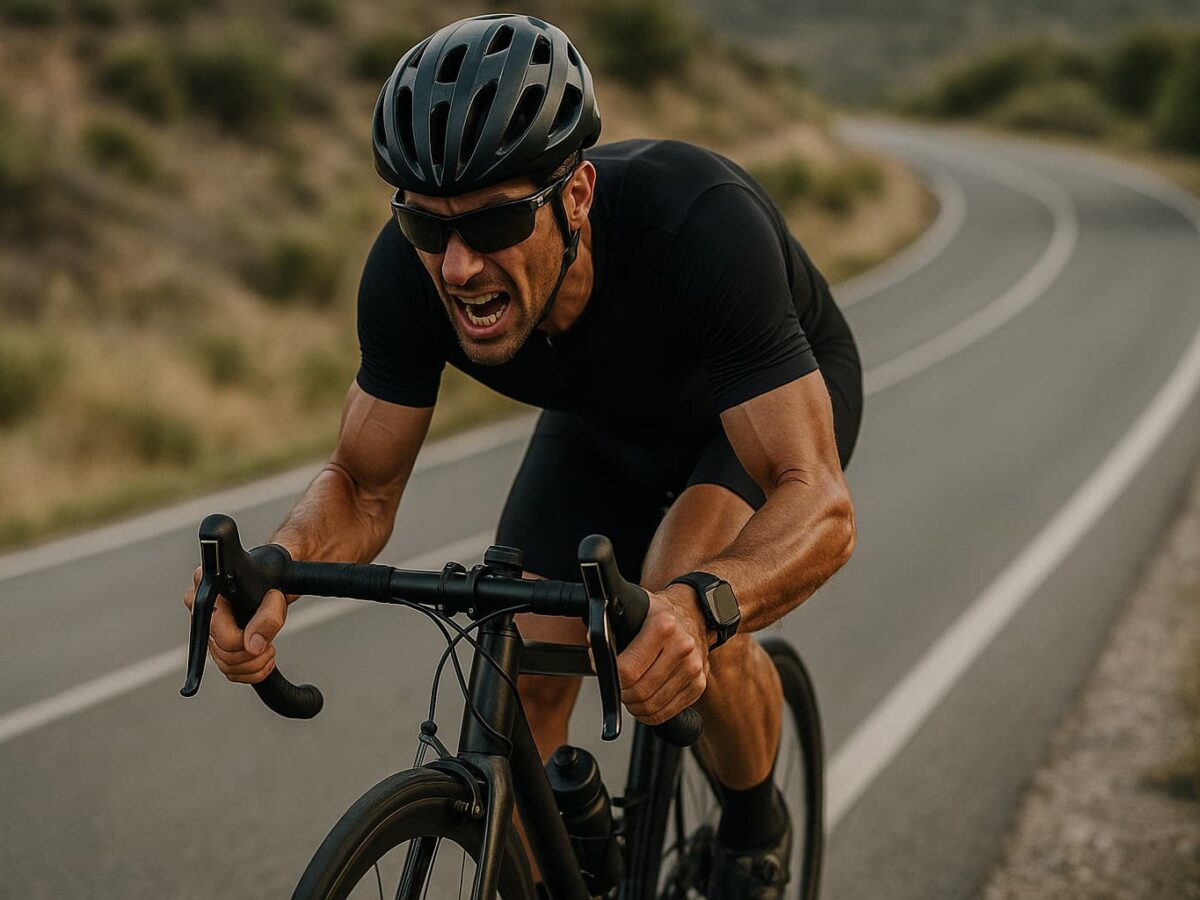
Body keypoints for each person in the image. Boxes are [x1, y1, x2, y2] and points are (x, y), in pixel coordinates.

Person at [185, 13, 860, 897]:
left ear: (576, 194)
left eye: (496, 221)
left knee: (676, 586)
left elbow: (820, 503)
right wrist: (277, 564)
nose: (458, 267)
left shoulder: (696, 226)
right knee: (523, 663)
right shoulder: (409, 274)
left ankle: (752, 830)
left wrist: (700, 612)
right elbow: (359, 486)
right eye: (427, 227)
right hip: (599, 424)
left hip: (755, 418)